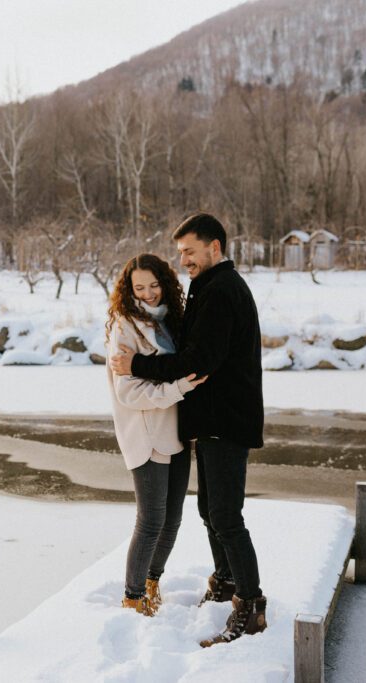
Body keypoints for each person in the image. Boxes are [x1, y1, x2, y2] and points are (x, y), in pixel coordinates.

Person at [110, 213, 267, 646]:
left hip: (226, 420)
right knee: (208, 513)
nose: (184, 260)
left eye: (190, 252)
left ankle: (251, 606)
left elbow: (198, 360)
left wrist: (138, 364)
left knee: (225, 517)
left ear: (214, 248)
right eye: (179, 253)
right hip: (212, 421)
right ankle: (226, 582)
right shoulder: (208, 287)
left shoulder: (221, 291)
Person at [105, 253, 206, 616]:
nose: (148, 294)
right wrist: (177, 389)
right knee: (150, 520)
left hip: (177, 431)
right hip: (146, 432)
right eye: (139, 288)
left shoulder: (172, 321)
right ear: (128, 290)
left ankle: (152, 582)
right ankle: (133, 597)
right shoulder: (125, 326)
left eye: (153, 285)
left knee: (173, 518)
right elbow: (128, 391)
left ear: (165, 282)